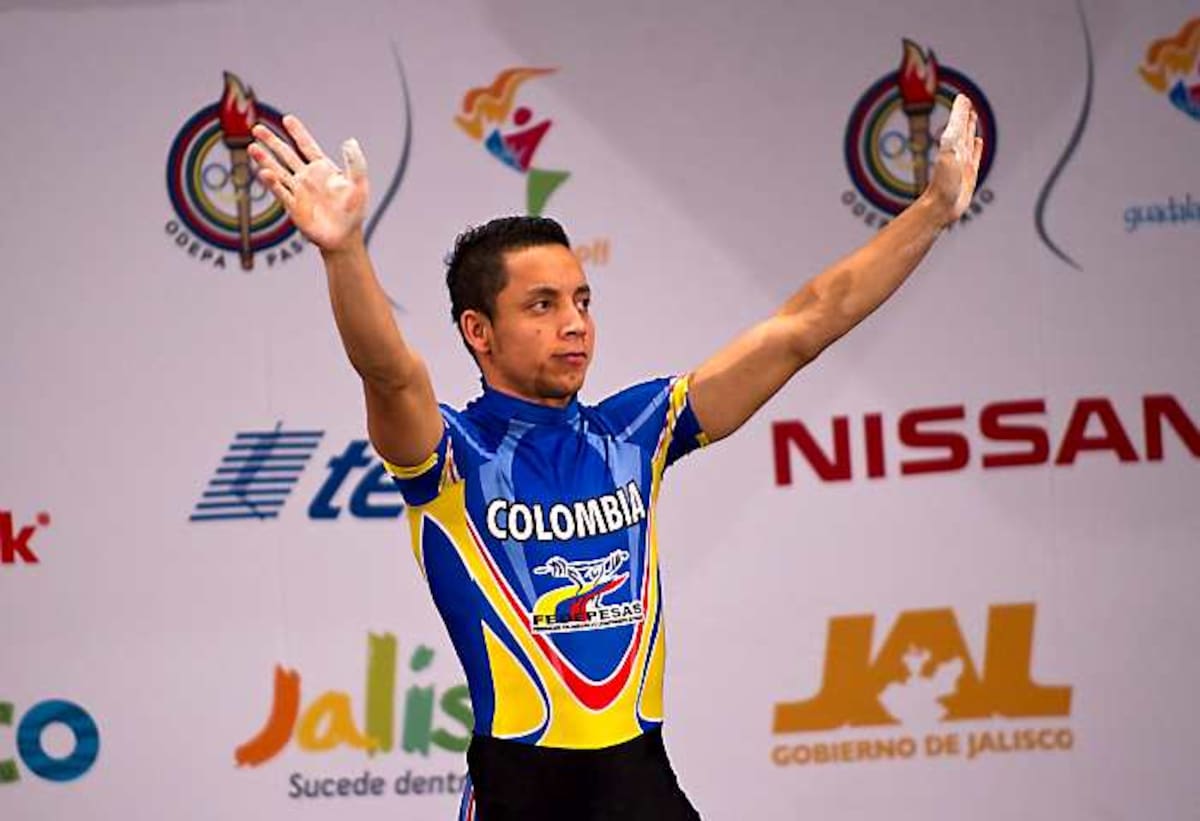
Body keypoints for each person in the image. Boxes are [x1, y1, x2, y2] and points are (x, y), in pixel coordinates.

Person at [247, 94, 983, 820]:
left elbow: (803, 325)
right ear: (478, 330)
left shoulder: (640, 430)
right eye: (542, 305)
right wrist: (344, 252)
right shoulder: (449, 456)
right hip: (519, 791)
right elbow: (389, 372)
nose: (575, 324)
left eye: (582, 300)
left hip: (640, 785)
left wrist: (930, 210)